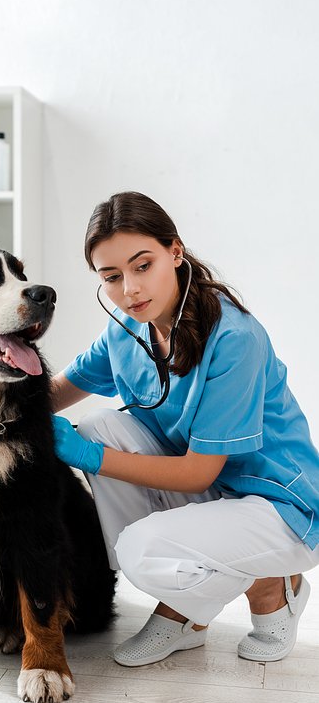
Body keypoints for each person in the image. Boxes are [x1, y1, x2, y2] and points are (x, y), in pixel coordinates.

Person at [51, 191, 319, 667]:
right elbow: (58, 391)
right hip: (215, 491)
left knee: (140, 548)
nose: (129, 289)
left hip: (278, 504)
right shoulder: (126, 330)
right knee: (98, 426)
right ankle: (195, 602)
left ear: (175, 252)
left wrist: (87, 459)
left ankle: (262, 589)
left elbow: (196, 473)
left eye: (142, 265)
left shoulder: (235, 337)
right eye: (111, 277)